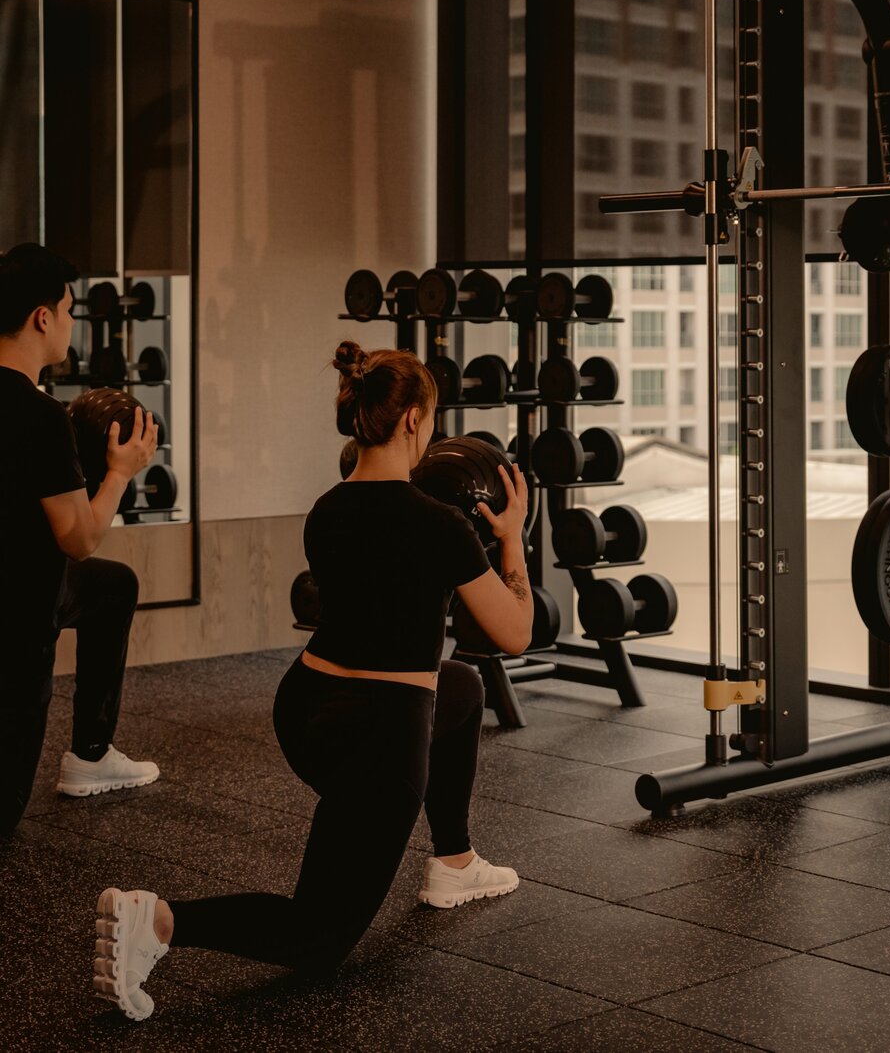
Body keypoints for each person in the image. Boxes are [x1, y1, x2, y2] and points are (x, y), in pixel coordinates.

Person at [93, 340, 534, 1022]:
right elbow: (514, 633)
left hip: (305, 709)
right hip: (380, 736)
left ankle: (454, 859)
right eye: (433, 418)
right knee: (318, 935)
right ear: (414, 419)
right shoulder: (442, 526)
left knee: (462, 688)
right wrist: (511, 538)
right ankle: (158, 919)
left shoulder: (327, 509)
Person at [0, 243, 160, 837]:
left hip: (27, 588)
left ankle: (91, 755)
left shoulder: (44, 414)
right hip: (18, 627)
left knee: (112, 586)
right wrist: (121, 470)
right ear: (43, 317)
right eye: (69, 310)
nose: (71, 323)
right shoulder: (42, 419)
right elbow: (80, 538)